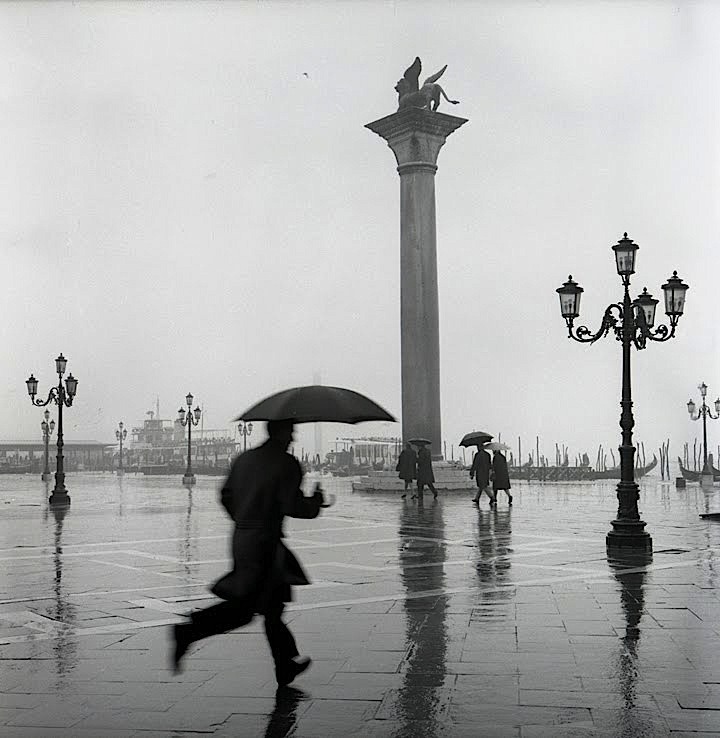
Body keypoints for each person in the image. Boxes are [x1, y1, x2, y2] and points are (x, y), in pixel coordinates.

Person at [170, 419, 324, 687]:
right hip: (266, 543)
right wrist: (315, 502)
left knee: (272, 605)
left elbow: (226, 495)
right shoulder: (286, 464)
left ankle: (286, 663)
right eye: (290, 432)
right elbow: (293, 505)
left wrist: (243, 519)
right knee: (248, 609)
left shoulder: (244, 460)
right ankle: (189, 631)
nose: (293, 438)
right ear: (279, 433)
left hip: (242, 537)